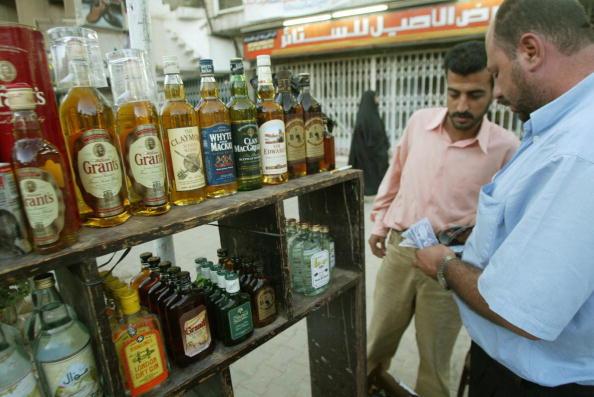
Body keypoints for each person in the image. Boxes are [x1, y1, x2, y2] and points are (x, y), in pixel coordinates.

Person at [414, 1, 594, 396]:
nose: (495, 94)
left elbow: (521, 310)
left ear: (530, 51)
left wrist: (445, 265)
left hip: (535, 383)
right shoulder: (558, 128)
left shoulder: (577, 152)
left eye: (495, 73)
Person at [367, 41, 519, 397]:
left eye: (474, 95)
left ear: (493, 89)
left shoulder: (505, 147)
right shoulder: (419, 122)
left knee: (435, 361)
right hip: (400, 251)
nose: (462, 106)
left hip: (451, 265)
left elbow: (506, 220)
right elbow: (396, 173)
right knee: (375, 342)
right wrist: (379, 222)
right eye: (454, 93)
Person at [348, 91, 390, 196]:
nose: (378, 100)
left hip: (363, 156)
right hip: (375, 156)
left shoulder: (361, 117)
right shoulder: (374, 117)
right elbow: (380, 138)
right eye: (376, 97)